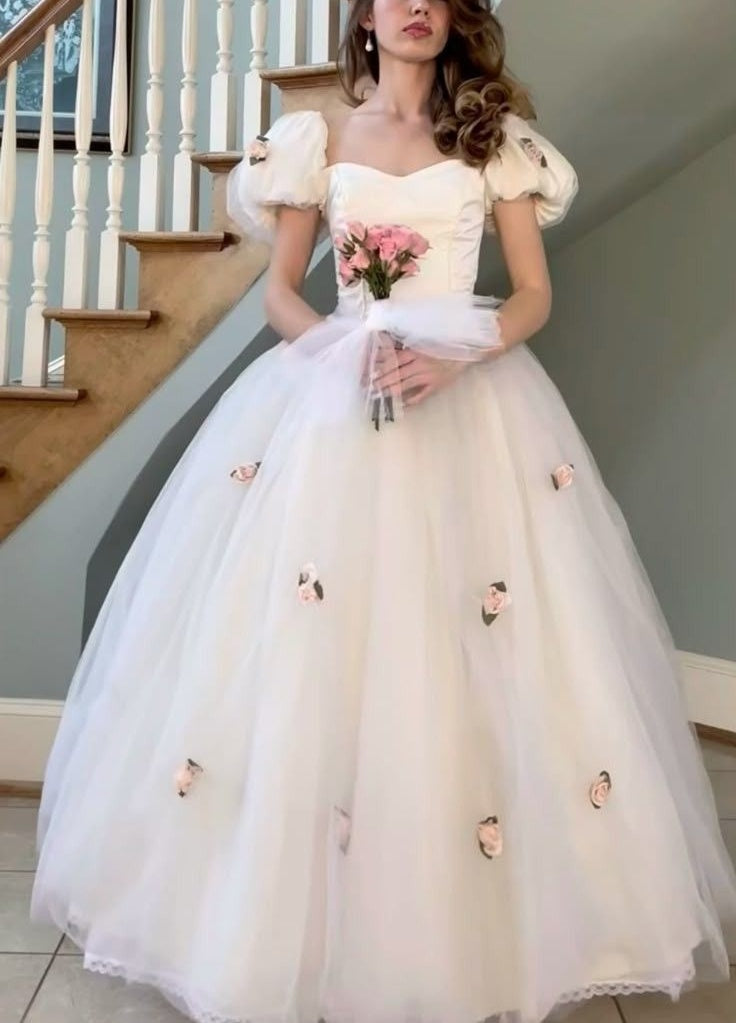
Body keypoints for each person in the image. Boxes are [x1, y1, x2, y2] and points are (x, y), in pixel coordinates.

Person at [30, 2, 736, 1022]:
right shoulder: (314, 141)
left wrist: (459, 355)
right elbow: (282, 294)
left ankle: (470, 933)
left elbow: (529, 295)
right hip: (334, 398)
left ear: (453, 20)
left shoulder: (495, 139)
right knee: (313, 643)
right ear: (364, 19)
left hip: (470, 400)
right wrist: (344, 354)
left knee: (471, 640)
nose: (416, 8)